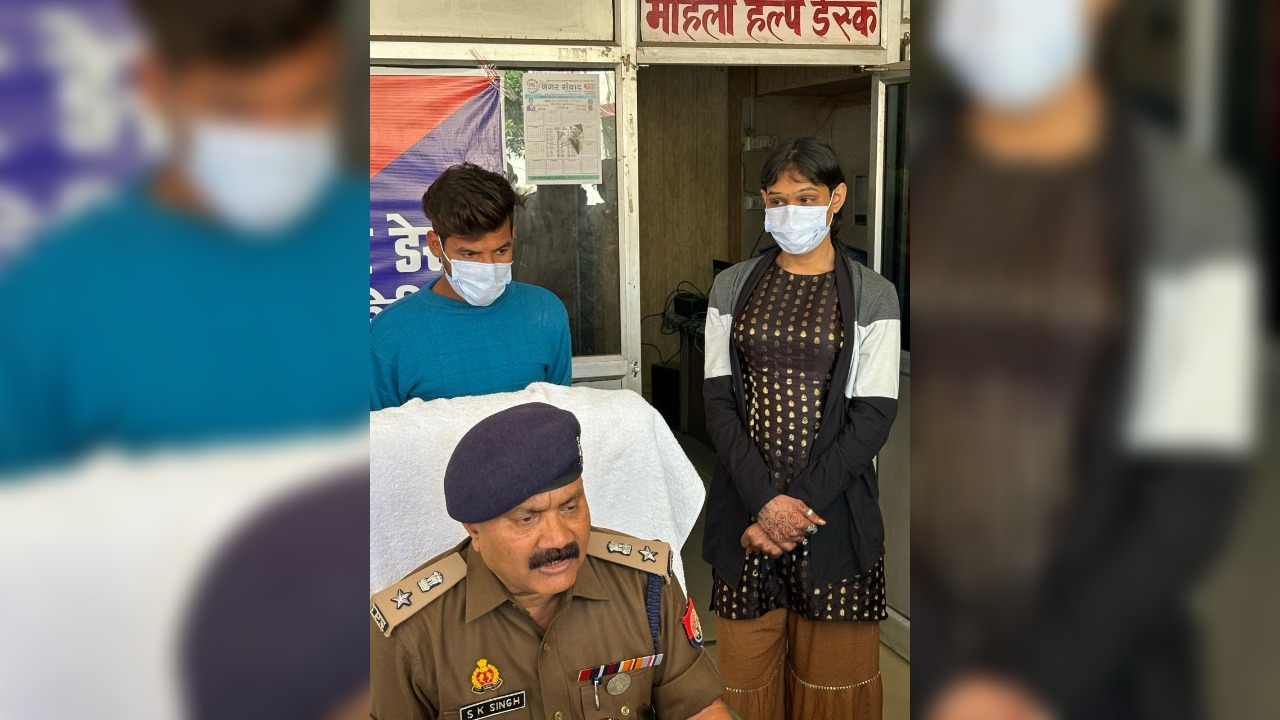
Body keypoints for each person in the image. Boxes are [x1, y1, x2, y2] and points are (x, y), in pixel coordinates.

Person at [914, 1, 1255, 719]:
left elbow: (1194, 485)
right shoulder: (925, 172)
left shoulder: (1188, 208)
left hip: (1098, 671)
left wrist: (1033, 680)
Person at [0, 0, 366, 473]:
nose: (278, 136)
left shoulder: (357, 231)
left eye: (308, 100)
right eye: (236, 110)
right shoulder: (51, 301)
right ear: (154, 85)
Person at [701, 137, 901, 719]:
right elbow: (718, 402)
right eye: (776, 199)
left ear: (836, 199)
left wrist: (795, 510)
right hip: (747, 511)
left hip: (834, 515)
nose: (790, 212)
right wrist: (766, 503)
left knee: (831, 685)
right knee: (746, 680)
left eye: (806, 198)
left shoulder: (875, 295)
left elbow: (873, 417)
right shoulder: (731, 287)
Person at [369, 402, 731, 720]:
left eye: (570, 507)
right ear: (474, 530)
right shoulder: (411, 634)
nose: (559, 539)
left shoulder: (644, 585)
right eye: (527, 519)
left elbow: (698, 708)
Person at [369, 163, 573, 409]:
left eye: (501, 250)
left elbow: (560, 416)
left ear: (513, 235)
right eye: (469, 254)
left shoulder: (545, 312)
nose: (489, 265)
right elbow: (382, 430)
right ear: (436, 245)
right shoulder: (390, 333)